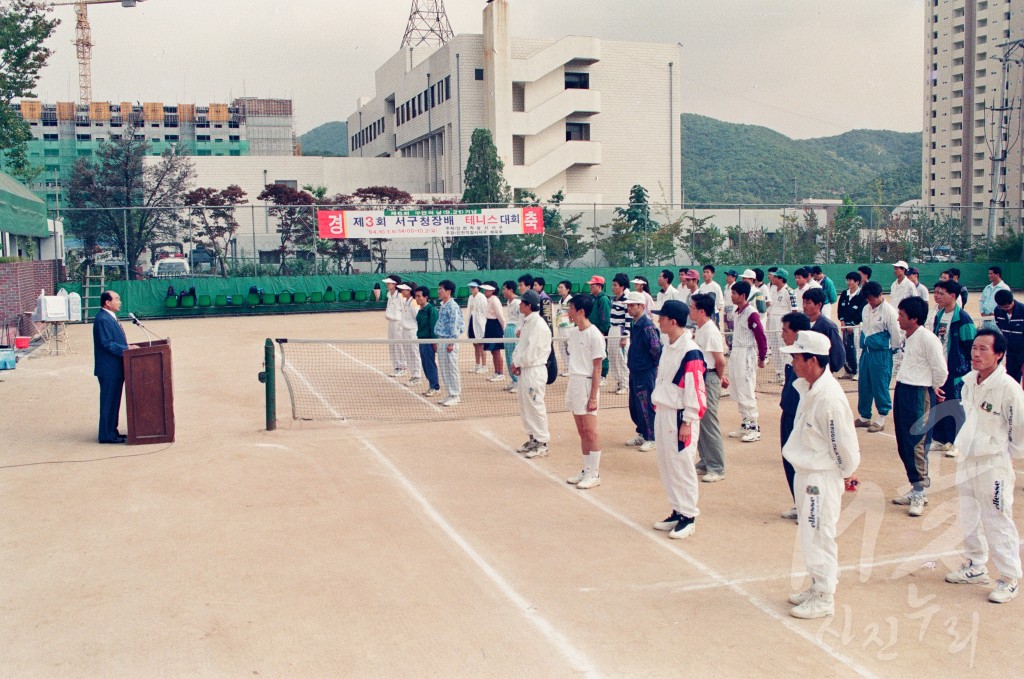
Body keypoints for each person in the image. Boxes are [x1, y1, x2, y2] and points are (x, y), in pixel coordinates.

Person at [781, 331, 861, 619]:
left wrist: (846, 473)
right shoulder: (809, 387)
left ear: (812, 360)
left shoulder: (829, 398)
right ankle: (817, 585)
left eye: (796, 357)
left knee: (820, 534)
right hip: (807, 472)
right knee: (809, 533)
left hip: (821, 476)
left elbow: (844, 444)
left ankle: (825, 596)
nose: (792, 362)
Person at [944, 329, 1023, 604]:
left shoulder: (1009, 389)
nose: (975, 354)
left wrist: (1000, 456)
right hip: (968, 459)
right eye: (974, 348)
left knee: (997, 518)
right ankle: (976, 565)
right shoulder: (969, 382)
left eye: (983, 349)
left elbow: (1019, 433)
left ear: (999, 354)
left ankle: (1009, 578)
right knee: (969, 514)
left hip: (993, 464)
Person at [649, 300, 707, 540]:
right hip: (663, 411)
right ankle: (677, 510)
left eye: (662, 318)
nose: (658, 320)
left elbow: (695, 388)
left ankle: (689, 515)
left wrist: (688, 421)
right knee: (666, 462)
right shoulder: (668, 346)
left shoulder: (690, 351)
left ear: (673, 322)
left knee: (682, 465)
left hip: (680, 416)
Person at [891, 296, 948, 517]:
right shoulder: (909, 336)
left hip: (918, 393)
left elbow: (940, 371)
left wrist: (932, 389)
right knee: (903, 441)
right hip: (903, 390)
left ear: (914, 318)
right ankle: (914, 485)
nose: (898, 319)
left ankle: (919, 491)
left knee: (917, 442)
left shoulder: (928, 339)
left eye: (901, 315)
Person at [563, 294, 607, 490]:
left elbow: (597, 368)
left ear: (580, 311)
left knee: (590, 431)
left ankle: (594, 474)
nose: (568, 312)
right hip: (574, 383)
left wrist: (593, 397)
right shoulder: (573, 332)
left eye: (570, 308)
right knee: (582, 431)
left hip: (588, 385)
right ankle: (586, 469)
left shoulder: (595, 334)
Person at [931, 279, 977, 457]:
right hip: (940, 369)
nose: (937, 296)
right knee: (939, 405)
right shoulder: (939, 315)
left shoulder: (963, 319)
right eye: (936, 293)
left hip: (957, 371)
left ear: (953, 296)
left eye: (941, 293)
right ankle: (941, 439)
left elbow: (971, 346)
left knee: (956, 406)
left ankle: (957, 443)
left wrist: (967, 371)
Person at [691, 293, 729, 483]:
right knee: (700, 420)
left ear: (702, 311)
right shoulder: (701, 328)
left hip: (710, 377)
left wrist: (718, 377)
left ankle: (717, 467)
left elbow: (719, 360)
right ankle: (705, 460)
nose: (690, 310)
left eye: (692, 308)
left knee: (709, 422)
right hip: (702, 376)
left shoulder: (710, 330)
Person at [778, 312, 812, 521]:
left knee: (803, 463)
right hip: (787, 412)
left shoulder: (808, 357)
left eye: (785, 330)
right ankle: (799, 502)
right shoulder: (791, 355)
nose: (782, 334)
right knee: (788, 459)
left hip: (801, 416)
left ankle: (808, 507)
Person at [511, 290, 553, 458]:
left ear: (529, 305)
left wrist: (517, 363)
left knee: (535, 404)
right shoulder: (527, 322)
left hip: (534, 371)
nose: (519, 305)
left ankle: (542, 442)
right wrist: (515, 362)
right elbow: (521, 346)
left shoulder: (539, 325)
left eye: (522, 303)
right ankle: (533, 438)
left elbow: (532, 352)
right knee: (525, 404)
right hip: (525, 371)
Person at [855, 281, 901, 433]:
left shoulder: (889, 311)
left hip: (881, 354)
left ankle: (881, 418)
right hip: (866, 352)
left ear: (880, 295)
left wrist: (893, 350)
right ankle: (864, 416)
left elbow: (895, 333)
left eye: (872, 299)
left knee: (879, 385)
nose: (870, 302)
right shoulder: (866, 309)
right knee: (864, 384)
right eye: (867, 299)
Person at [728, 280, 769, 442]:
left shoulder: (751, 313)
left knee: (746, 389)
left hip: (746, 354)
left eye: (734, 293)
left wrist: (762, 356)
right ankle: (745, 424)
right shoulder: (737, 311)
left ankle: (754, 427)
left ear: (743, 295)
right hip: (736, 352)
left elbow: (760, 336)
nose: (731, 296)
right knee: (738, 389)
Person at [93, 290, 130, 444]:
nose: (119, 301)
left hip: (115, 367)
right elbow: (107, 343)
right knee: (109, 401)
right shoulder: (102, 319)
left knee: (114, 400)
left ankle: (112, 431)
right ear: (107, 302)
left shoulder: (109, 317)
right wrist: (126, 349)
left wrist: (128, 346)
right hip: (109, 369)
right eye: (116, 299)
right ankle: (106, 435)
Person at [625, 290, 660, 453]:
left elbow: (655, 348)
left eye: (632, 305)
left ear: (642, 306)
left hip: (645, 371)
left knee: (646, 405)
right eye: (628, 305)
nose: (629, 308)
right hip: (635, 370)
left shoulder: (647, 326)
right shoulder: (636, 324)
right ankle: (642, 432)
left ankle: (651, 437)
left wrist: (650, 366)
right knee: (635, 405)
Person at [434, 280, 465, 407]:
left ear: (448, 291)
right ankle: (449, 393)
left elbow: (456, 325)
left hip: (449, 341)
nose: (438, 291)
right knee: (444, 368)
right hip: (441, 339)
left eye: (441, 289)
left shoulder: (453, 306)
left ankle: (455, 394)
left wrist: (452, 342)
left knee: (452, 368)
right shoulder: (443, 305)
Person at [802, 288, 846, 374]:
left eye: (808, 303)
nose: (804, 306)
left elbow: (837, 351)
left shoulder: (829, 326)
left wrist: (830, 368)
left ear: (819, 305)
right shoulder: (802, 324)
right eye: (803, 302)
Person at [767, 268, 797, 382]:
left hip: (783, 322)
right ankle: (778, 373)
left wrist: (790, 326)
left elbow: (794, 310)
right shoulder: (772, 289)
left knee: (783, 348)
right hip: (772, 321)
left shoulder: (789, 291)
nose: (772, 278)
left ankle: (785, 375)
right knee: (774, 347)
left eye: (775, 276)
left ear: (780, 279)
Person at [413, 286, 441, 397]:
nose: (417, 298)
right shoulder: (420, 310)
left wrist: (434, 342)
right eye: (416, 296)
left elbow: (433, 326)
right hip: (421, 340)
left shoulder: (431, 310)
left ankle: (435, 386)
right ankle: (431, 385)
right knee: (425, 364)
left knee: (429, 364)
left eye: (419, 296)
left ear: (426, 297)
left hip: (429, 341)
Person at [837, 271, 865, 380]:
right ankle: (849, 371)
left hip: (856, 327)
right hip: (844, 327)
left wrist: (852, 324)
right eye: (847, 280)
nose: (849, 282)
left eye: (851, 280)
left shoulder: (861, 295)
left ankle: (858, 372)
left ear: (857, 282)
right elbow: (840, 309)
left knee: (857, 349)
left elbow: (861, 311)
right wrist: (842, 321)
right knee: (845, 348)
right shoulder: (844, 294)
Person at [608, 273, 632, 395]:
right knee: (612, 357)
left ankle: (625, 384)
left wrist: (624, 337)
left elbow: (628, 320)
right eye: (613, 285)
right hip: (612, 329)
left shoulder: (626, 300)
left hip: (620, 331)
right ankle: (618, 382)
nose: (613, 287)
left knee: (621, 358)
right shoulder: (615, 299)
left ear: (622, 287)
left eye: (615, 285)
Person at [994, 289, 1024, 381]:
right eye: (1002, 307)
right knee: (1011, 379)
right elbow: (1000, 326)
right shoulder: (998, 311)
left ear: (1012, 301)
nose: (1005, 310)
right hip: (1010, 352)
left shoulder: (1022, 310)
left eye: (1007, 307)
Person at [587, 275, 612, 384]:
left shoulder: (603, 299)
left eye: (593, 285)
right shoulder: (592, 298)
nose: (591, 287)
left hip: (601, 331)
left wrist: (603, 330)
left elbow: (605, 317)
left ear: (599, 286)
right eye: (591, 285)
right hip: (592, 330)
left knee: (602, 352)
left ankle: (603, 375)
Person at [397, 283, 423, 385]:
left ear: (409, 291)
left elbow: (418, 317)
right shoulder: (405, 301)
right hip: (405, 331)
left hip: (412, 332)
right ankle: (413, 375)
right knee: (408, 353)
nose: (401, 291)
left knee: (414, 354)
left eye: (404, 290)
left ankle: (417, 376)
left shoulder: (413, 303)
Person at [481, 282, 507, 383]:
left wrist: (502, 329)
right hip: (489, 325)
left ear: (492, 290)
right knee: (493, 351)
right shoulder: (488, 300)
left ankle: (500, 373)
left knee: (496, 351)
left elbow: (500, 316)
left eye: (487, 290)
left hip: (495, 326)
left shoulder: (495, 300)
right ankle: (496, 372)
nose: (485, 291)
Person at [502, 281, 524, 393]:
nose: (503, 291)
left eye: (504, 289)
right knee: (508, 356)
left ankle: (518, 381)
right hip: (508, 329)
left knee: (514, 356)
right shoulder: (509, 302)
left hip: (514, 329)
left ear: (510, 290)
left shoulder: (517, 302)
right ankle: (513, 380)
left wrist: (519, 330)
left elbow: (522, 317)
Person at [383, 276, 406, 376]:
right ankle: (396, 367)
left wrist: (402, 324)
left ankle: (403, 367)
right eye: (387, 283)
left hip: (398, 323)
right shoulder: (389, 295)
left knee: (399, 345)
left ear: (395, 284)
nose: (387, 284)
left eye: (389, 283)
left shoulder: (401, 296)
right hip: (390, 322)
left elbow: (405, 310)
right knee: (392, 345)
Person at [979, 266, 1010, 330]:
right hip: (985, 320)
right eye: (988, 274)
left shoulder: (1004, 288)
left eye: (990, 274)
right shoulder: (987, 288)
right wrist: (982, 312)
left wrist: (995, 314)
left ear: (997, 274)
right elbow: (982, 300)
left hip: (997, 320)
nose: (989, 275)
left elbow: (1007, 304)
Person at [466, 280, 488, 374]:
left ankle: (484, 366)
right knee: (475, 344)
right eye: (471, 287)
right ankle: (477, 365)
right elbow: (469, 310)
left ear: (478, 288)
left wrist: (482, 322)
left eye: (474, 287)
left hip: (480, 323)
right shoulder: (470, 297)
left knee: (481, 345)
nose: (472, 289)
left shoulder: (482, 297)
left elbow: (484, 311)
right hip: (472, 322)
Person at [554, 279, 574, 376]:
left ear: (568, 289)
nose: (559, 289)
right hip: (560, 327)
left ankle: (571, 368)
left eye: (561, 287)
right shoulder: (560, 301)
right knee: (562, 347)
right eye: (559, 287)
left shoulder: (571, 300)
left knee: (569, 347)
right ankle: (567, 367)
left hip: (569, 327)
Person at [722, 269, 738, 341]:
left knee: (732, 328)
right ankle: (729, 347)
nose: (727, 277)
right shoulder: (726, 287)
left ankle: (733, 346)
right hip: (725, 309)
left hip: (732, 309)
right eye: (727, 276)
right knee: (726, 328)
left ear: (734, 278)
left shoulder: (735, 287)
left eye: (729, 276)